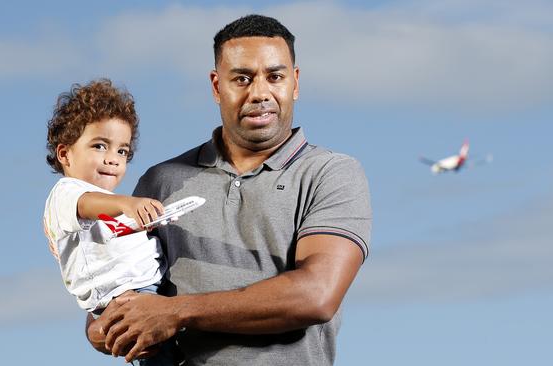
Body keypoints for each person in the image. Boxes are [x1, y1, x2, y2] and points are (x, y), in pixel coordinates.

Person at [87, 14, 372, 366]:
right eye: (242, 78)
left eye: (275, 76)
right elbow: (117, 297)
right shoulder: (160, 182)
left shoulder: (331, 173)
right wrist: (104, 327)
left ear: (294, 83)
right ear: (216, 85)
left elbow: (316, 295)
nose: (260, 93)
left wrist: (176, 313)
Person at [42, 79, 173, 365]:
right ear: (65, 154)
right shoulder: (66, 193)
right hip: (127, 298)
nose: (113, 159)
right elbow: (87, 204)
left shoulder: (110, 208)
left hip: (150, 293)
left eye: (122, 151)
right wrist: (128, 203)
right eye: (100, 146)